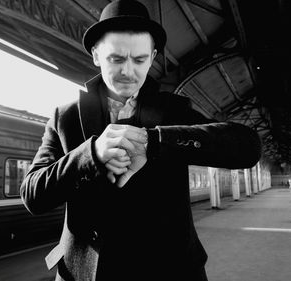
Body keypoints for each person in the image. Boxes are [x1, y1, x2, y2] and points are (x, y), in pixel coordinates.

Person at [20, 0, 261, 280]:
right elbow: (32, 195)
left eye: (140, 59)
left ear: (154, 56)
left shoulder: (175, 111)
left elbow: (247, 146)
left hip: (167, 270)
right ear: (96, 55)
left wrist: (156, 141)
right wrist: (91, 155)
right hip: (88, 274)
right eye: (116, 59)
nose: (128, 72)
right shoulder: (65, 117)